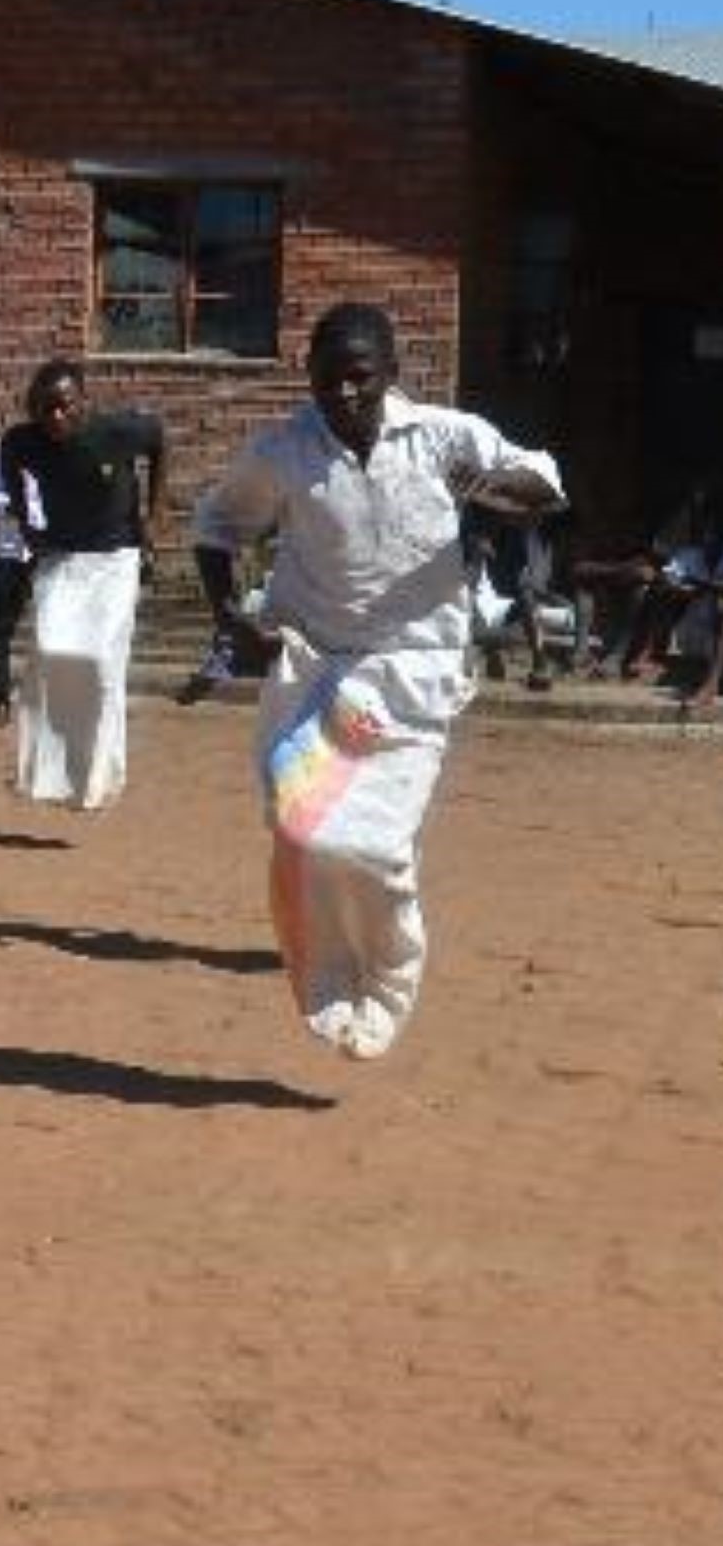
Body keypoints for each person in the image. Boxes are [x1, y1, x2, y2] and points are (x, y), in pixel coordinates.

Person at [192, 304, 561, 1063]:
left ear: (392, 374)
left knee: (374, 844)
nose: (343, 395)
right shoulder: (284, 451)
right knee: (300, 833)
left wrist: (489, 485)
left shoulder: (445, 437)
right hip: (313, 672)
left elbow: (542, 490)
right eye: (326, 381)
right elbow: (216, 526)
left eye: (359, 378)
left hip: (412, 675)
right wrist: (231, 617)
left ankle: (387, 980)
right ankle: (327, 980)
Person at [0, 361, 166, 812]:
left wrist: (153, 516)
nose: (55, 417)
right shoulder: (22, 441)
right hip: (63, 555)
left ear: (82, 404)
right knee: (49, 646)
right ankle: (46, 774)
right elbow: (13, 477)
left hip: (116, 556)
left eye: (64, 406)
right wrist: (28, 525)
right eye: (45, 408)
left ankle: (100, 777)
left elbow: (158, 439)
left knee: (100, 659)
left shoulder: (115, 432)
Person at [0, 440, 40, 722]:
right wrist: (19, 508)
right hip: (9, 550)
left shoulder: (61, 449)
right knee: (0, 627)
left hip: (47, 550)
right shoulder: (6, 448)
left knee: (57, 625)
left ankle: (54, 700)